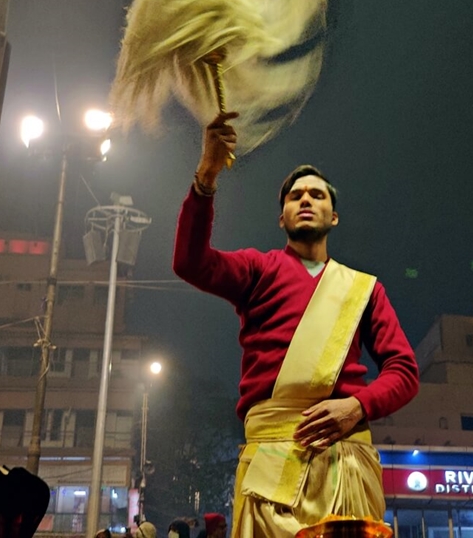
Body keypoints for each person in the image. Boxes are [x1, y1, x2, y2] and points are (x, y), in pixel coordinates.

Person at [173, 113, 420, 537]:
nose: (306, 200)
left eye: (317, 195)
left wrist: (357, 407)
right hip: (269, 466)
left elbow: (404, 371)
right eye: (295, 196)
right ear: (282, 218)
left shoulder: (364, 289)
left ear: (334, 216)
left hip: (345, 463)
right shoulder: (258, 269)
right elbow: (190, 263)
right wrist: (206, 176)